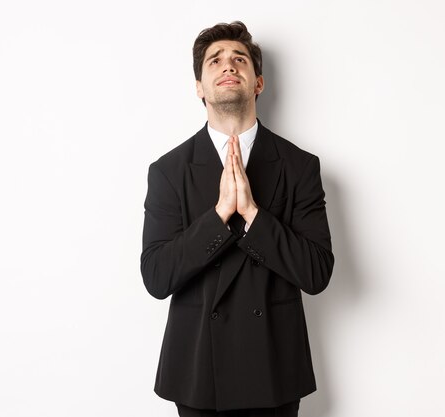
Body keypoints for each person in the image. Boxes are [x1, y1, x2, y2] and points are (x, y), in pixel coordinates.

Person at [141, 21, 334, 417]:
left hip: (273, 369)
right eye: (215, 61)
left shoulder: (300, 166)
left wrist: (252, 214)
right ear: (200, 87)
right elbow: (157, 277)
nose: (228, 66)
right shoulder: (168, 170)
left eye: (239, 59)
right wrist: (218, 216)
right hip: (198, 374)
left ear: (258, 82)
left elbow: (316, 273)